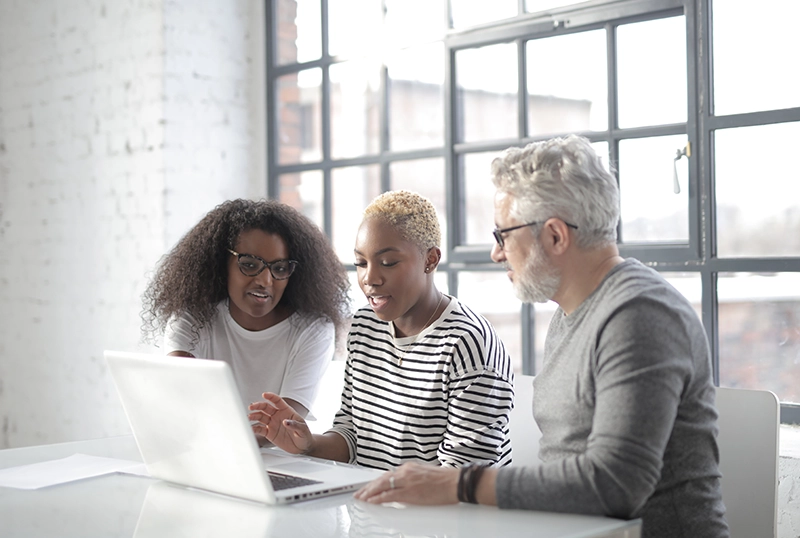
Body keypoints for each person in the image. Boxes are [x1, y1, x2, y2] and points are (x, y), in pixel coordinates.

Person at [354, 136, 729, 538]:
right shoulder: (570, 314)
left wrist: (457, 483)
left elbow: (615, 484)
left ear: (554, 236)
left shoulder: (640, 315)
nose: (497, 254)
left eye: (504, 236)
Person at [249, 190, 515, 470]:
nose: (369, 278)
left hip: (440, 510)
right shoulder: (365, 326)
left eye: (388, 263)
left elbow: (464, 478)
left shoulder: (468, 344)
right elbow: (352, 437)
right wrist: (309, 445)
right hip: (372, 506)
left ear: (431, 260)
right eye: (361, 263)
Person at [141, 198, 350, 423]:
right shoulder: (192, 320)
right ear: (221, 264)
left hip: (281, 457)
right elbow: (179, 402)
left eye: (279, 268)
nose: (265, 280)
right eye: (249, 264)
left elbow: (282, 426)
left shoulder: (313, 329)